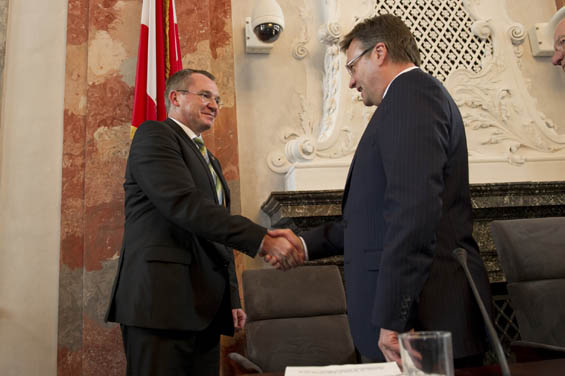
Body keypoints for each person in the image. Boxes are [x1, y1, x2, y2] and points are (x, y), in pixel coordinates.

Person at [270, 14, 492, 368]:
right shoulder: (405, 101)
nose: (351, 82)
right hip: (412, 324)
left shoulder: (412, 98)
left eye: (352, 67)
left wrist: (393, 319)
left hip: (419, 326)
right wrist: (304, 243)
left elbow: (413, 213)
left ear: (380, 53)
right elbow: (376, 219)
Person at [105, 68, 303, 376]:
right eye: (205, 95)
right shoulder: (154, 135)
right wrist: (262, 239)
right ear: (175, 97)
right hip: (161, 305)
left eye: (218, 99)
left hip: (206, 309)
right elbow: (184, 205)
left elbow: (216, 229)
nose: (214, 104)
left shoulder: (210, 160)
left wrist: (232, 298)